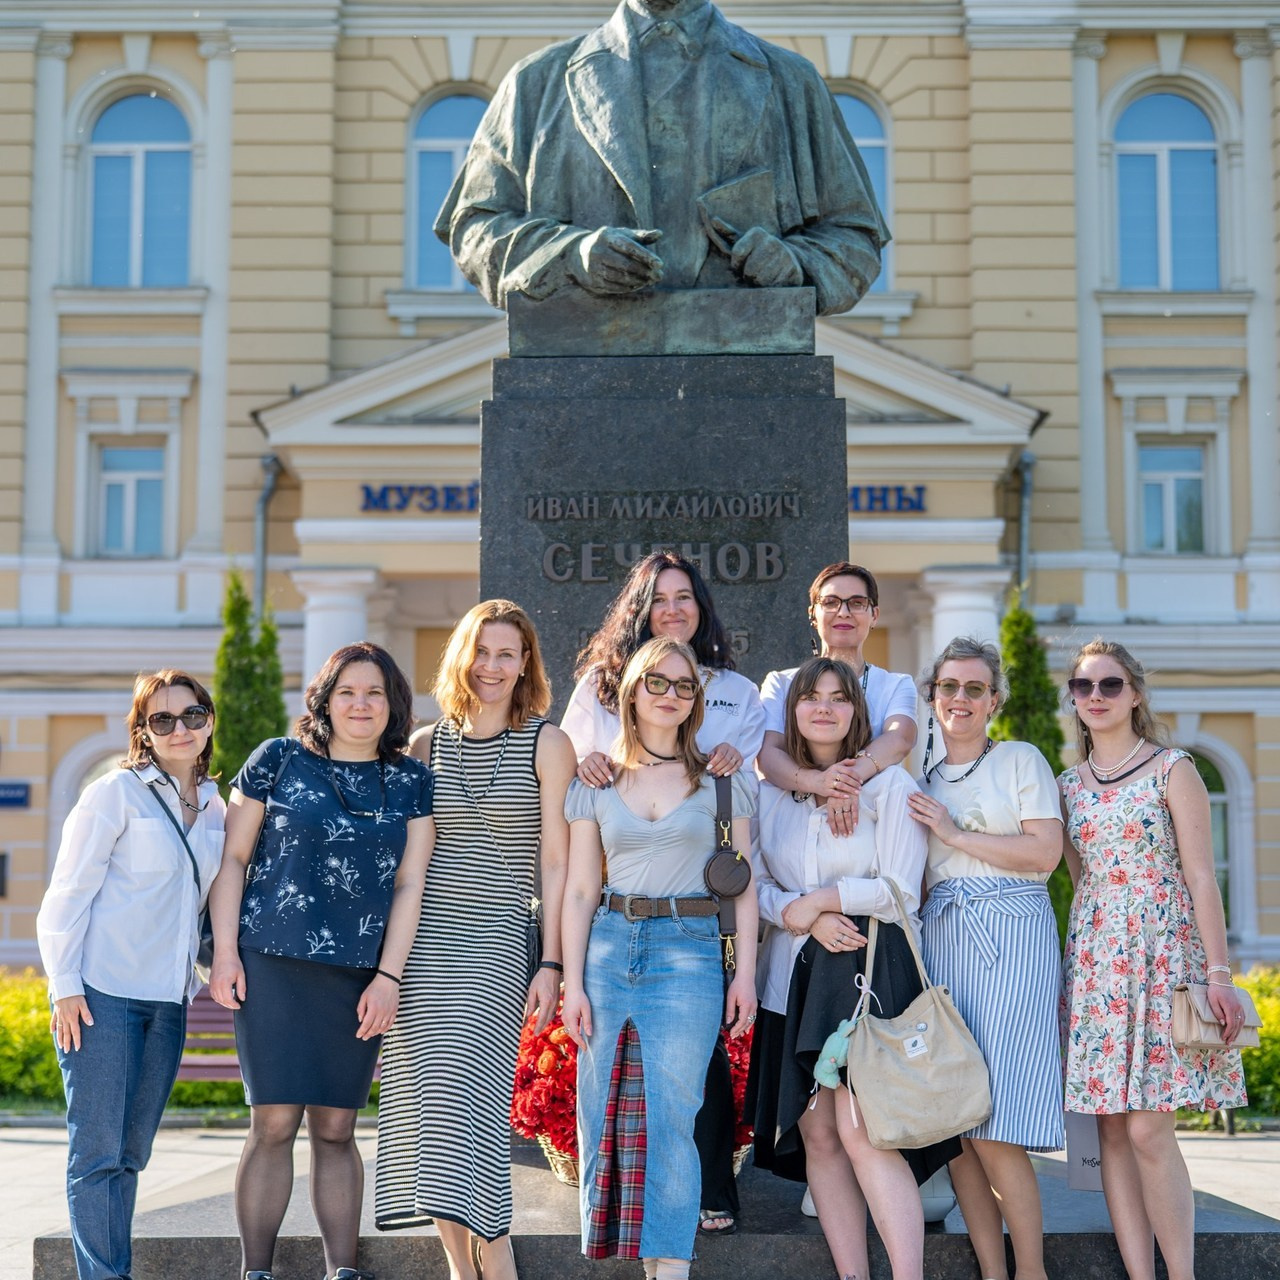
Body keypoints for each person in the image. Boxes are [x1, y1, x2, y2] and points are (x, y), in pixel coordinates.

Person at [208, 642, 435, 1280]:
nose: (361, 705)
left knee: (337, 1126)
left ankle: (344, 1270)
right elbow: (233, 859)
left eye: (374, 693)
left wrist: (389, 977)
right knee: (274, 1122)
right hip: (272, 964)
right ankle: (257, 1271)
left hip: (358, 975)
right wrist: (225, 951)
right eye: (347, 692)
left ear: (392, 705)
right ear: (325, 700)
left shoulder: (413, 781)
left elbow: (409, 885)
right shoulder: (276, 760)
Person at [438, 0, 888, 314]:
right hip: (585, 355)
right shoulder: (536, 82)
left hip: (744, 354)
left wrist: (794, 263)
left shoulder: (792, 81)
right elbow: (476, 228)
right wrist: (572, 255)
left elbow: (854, 238)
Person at [561, 549, 764, 1236]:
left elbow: (744, 865)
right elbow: (580, 873)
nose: (674, 608)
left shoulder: (734, 694)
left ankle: (690, 1224)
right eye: (660, 598)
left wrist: (747, 974)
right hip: (616, 924)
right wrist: (567, 974)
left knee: (679, 1101)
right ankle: (616, 1231)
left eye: (686, 596)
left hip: (692, 928)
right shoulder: (596, 687)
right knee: (609, 1101)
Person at [375, 601, 577, 1280]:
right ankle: (461, 1267)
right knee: (428, 1103)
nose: (492, 666)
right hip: (425, 942)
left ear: (525, 665)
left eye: (507, 654)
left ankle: (498, 1251)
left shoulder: (549, 742)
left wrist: (550, 960)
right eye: (482, 651)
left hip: (496, 937)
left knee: (474, 1101)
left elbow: (557, 861)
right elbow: (411, 859)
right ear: (462, 655)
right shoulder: (428, 744)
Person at [749, 656, 953, 1280]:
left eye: (839, 698)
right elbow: (755, 882)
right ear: (795, 710)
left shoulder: (890, 786)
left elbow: (901, 892)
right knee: (819, 1136)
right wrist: (799, 913)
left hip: (866, 975)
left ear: (855, 710)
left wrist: (828, 900)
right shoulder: (771, 792)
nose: (825, 708)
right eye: (812, 697)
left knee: (863, 1129)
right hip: (792, 978)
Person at [1060, 638, 1247, 1280]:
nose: (1096, 697)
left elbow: (1201, 877)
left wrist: (1217, 975)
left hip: (1163, 955)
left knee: (1146, 1131)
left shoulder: (1175, 768)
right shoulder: (1067, 787)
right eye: (1083, 687)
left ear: (1135, 693)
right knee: (1111, 1131)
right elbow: (1083, 878)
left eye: (1110, 685)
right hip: (1097, 961)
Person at [37, 669, 226, 1280]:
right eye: (162, 719)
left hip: (168, 1001)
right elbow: (65, 897)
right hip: (102, 996)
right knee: (97, 1154)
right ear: (143, 730)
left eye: (191, 716)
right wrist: (64, 987)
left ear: (209, 721)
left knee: (131, 1152)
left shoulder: (218, 806)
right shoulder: (113, 794)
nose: (179, 729)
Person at [907, 638, 1064, 1280]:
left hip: (1013, 934)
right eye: (949, 687)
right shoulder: (919, 776)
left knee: (997, 1122)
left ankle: (1032, 1271)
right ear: (932, 697)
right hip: (944, 940)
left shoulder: (1021, 760)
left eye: (975, 689)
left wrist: (952, 833)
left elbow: (1044, 856)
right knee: (960, 1126)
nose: (961, 699)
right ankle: (992, 1272)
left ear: (994, 700)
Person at [758, 561, 918, 839]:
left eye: (857, 603)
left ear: (874, 614)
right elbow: (769, 755)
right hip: (793, 828)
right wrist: (820, 783)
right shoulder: (781, 684)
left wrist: (844, 783)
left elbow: (900, 738)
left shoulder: (895, 685)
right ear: (813, 614)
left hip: (872, 829)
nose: (843, 612)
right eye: (830, 602)